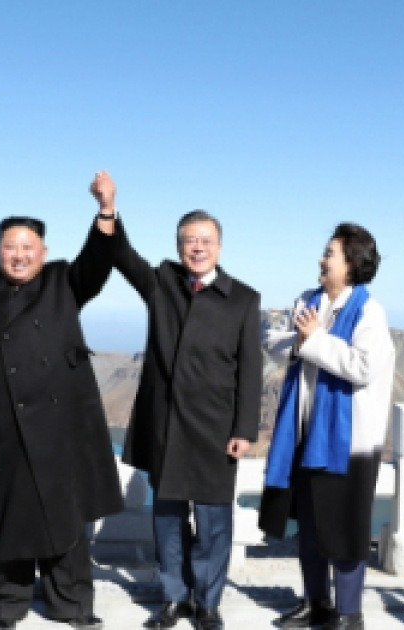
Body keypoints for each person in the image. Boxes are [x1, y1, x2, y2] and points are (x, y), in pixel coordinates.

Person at [0, 196, 124, 629]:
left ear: (42, 251)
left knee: (66, 516)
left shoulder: (64, 281)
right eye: (10, 247)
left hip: (63, 427)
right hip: (1, 425)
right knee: (7, 517)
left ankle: (72, 605)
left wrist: (106, 212)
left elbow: (98, 260)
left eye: (28, 247)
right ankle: (5, 604)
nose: (19, 255)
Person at [91, 172, 262, 630]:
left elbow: (251, 370)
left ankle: (206, 603)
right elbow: (123, 256)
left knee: (213, 524)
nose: (197, 248)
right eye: (189, 241)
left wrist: (245, 429)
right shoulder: (163, 283)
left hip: (215, 428)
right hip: (166, 424)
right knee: (167, 520)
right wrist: (108, 210)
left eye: (205, 241)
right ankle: (173, 597)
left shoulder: (243, 299)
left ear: (219, 247)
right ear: (179, 245)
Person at [259, 223, 395, 630]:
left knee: (346, 528)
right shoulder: (308, 299)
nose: (321, 259)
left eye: (330, 253)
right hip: (305, 433)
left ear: (351, 263)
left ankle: (349, 613)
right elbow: (276, 341)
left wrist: (315, 339)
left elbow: (364, 366)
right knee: (313, 526)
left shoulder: (369, 312)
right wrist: (303, 341)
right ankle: (315, 601)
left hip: (347, 443)